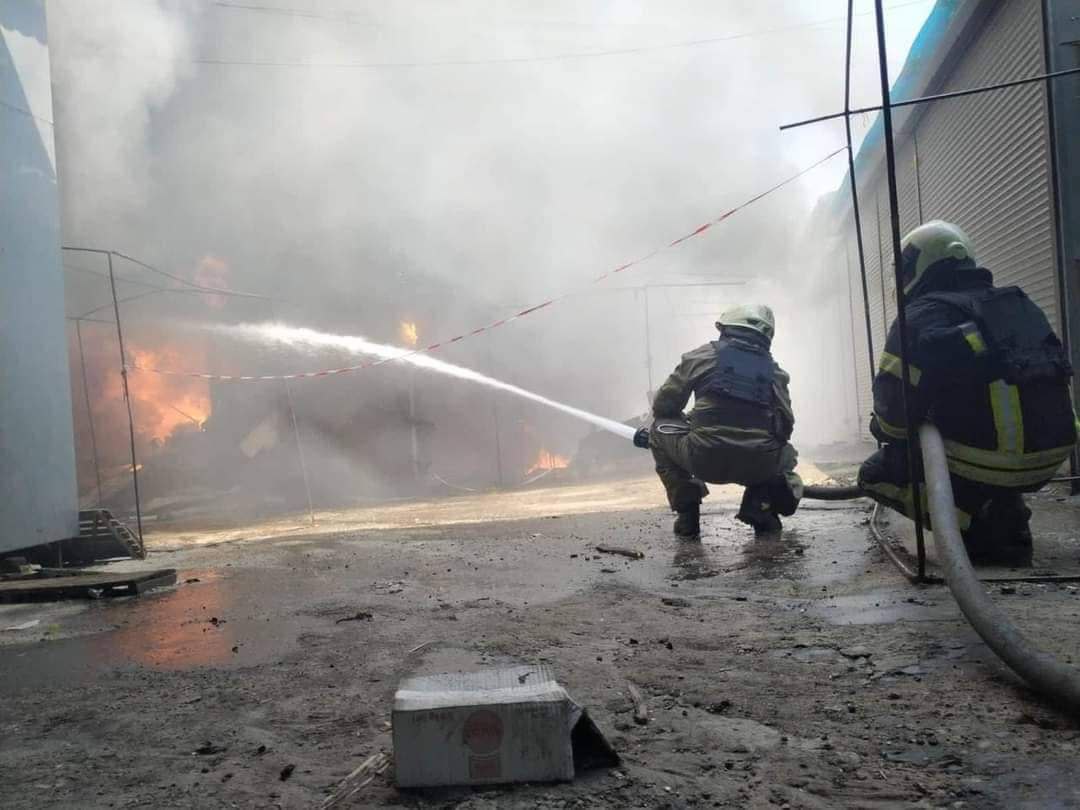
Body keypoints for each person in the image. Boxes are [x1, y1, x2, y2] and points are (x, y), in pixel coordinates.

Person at [858, 220, 1077, 566]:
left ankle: (979, 522)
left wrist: (883, 428)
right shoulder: (1018, 303)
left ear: (921, 265)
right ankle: (1000, 503)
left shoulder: (917, 316)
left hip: (991, 461)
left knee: (875, 474)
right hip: (1054, 453)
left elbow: (895, 419)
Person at [634, 304, 803, 538]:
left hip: (704, 459)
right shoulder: (776, 373)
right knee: (786, 453)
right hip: (757, 466)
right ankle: (761, 510)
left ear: (726, 329)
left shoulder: (701, 356)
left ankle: (688, 515)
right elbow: (786, 426)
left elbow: (664, 406)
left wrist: (694, 422)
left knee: (659, 427)